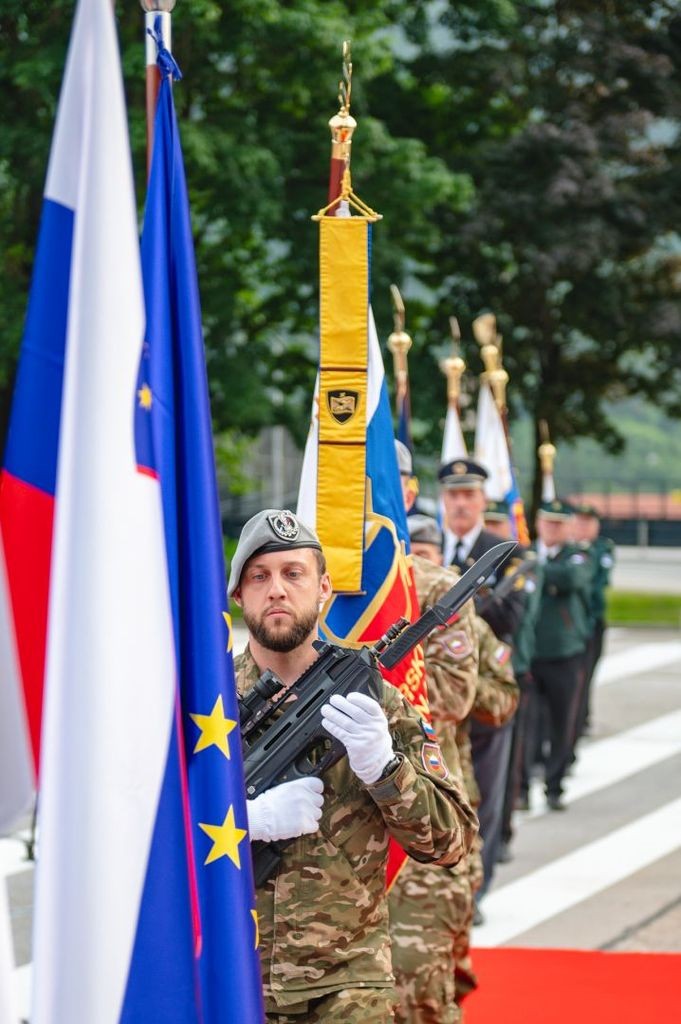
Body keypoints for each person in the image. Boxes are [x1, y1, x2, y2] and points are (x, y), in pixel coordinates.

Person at [228, 508, 477, 1023]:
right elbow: (142, 832)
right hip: (229, 974)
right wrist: (243, 821)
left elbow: (451, 841)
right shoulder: (205, 707)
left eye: (293, 574)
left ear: (324, 588)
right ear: (238, 595)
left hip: (348, 983)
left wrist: (386, 769)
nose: (277, 590)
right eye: (259, 577)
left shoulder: (372, 700)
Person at [387, 467, 480, 1024]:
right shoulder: (305, 583)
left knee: (419, 992)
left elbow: (453, 695)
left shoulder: (435, 588)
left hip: (418, 809)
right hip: (325, 830)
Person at [438, 459, 523, 899]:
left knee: (485, 793)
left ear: (482, 499)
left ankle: (479, 888)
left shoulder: (503, 552)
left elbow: (514, 616)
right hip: (437, 694)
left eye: (468, 494)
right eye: (453, 494)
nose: (460, 503)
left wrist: (465, 612)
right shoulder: (426, 547)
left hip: (485, 687)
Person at [523, 499, 593, 812]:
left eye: (559, 523)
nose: (552, 528)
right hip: (530, 652)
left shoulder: (579, 555)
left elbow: (571, 578)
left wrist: (537, 570)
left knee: (562, 722)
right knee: (527, 725)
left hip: (565, 652)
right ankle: (522, 787)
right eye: (548, 522)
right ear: (538, 523)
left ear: (568, 527)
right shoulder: (527, 553)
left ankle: (554, 784)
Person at [571, 503, 615, 738]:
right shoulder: (568, 549)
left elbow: (596, 582)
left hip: (592, 621)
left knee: (586, 673)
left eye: (588, 522)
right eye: (579, 521)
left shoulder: (601, 548)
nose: (583, 527)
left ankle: (582, 718)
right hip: (572, 622)